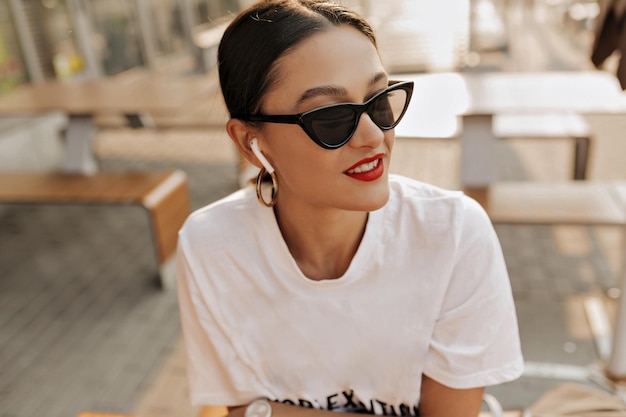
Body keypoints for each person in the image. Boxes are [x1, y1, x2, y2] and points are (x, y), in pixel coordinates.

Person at [176, 1, 524, 417]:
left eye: (379, 101)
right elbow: (238, 410)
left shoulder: (451, 233)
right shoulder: (213, 245)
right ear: (252, 141)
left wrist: (270, 411)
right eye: (331, 117)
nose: (373, 135)